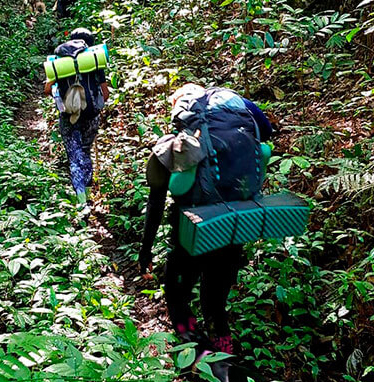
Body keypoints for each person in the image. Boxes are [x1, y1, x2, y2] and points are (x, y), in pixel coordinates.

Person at [139, 84, 273, 382]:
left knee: (176, 293)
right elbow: (266, 134)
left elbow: (157, 199)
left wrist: (145, 250)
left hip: (193, 228)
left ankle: (195, 357)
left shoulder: (181, 142)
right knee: (215, 303)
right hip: (235, 221)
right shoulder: (241, 112)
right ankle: (223, 362)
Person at [44, 28, 109, 207]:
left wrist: (63, 96)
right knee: (85, 151)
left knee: (74, 156)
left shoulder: (60, 62)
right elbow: (105, 93)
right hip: (90, 116)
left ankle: (80, 200)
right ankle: (88, 194)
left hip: (68, 116)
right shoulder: (93, 61)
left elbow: (47, 90)